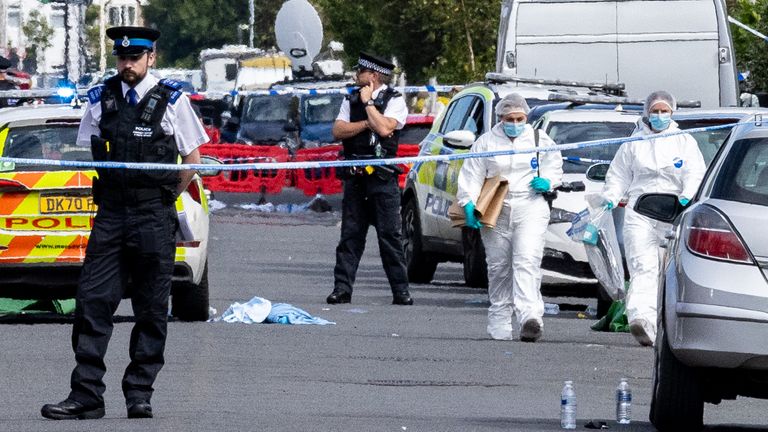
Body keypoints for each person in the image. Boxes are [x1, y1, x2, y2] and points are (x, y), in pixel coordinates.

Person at [41, 26, 209, 420]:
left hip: (153, 214)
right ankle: (86, 395)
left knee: (151, 307)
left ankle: (139, 393)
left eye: (135, 58)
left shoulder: (172, 100)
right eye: (122, 58)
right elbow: (89, 148)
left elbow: (193, 161)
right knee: (92, 302)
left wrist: (166, 196)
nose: (127, 65)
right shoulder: (101, 99)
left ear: (151, 56)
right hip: (112, 214)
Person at [600, 90, 706, 347]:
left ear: (672, 112)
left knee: (670, 272)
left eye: (664, 111)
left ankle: (665, 326)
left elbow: (695, 171)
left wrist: (687, 195)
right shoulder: (634, 143)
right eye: (655, 112)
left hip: (674, 213)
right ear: (647, 113)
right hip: (640, 212)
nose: (659, 116)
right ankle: (640, 320)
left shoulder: (684, 141)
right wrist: (611, 196)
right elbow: (618, 175)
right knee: (643, 267)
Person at [457, 93, 563, 342]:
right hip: (497, 208)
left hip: (531, 205)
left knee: (527, 260)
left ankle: (530, 317)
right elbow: (472, 174)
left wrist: (548, 181)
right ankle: (500, 322)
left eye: (520, 118)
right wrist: (469, 203)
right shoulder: (486, 143)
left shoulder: (538, 139)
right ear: (500, 118)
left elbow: (555, 165)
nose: (515, 123)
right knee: (498, 267)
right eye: (510, 118)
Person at [326, 52, 413, 306]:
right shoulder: (350, 99)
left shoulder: (395, 100)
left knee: (390, 237)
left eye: (360, 72)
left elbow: (386, 129)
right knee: (350, 237)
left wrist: (368, 106)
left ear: (373, 76)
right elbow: (338, 130)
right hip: (355, 180)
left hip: (383, 182)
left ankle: (401, 290)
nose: (356, 76)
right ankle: (342, 289)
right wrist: (367, 121)